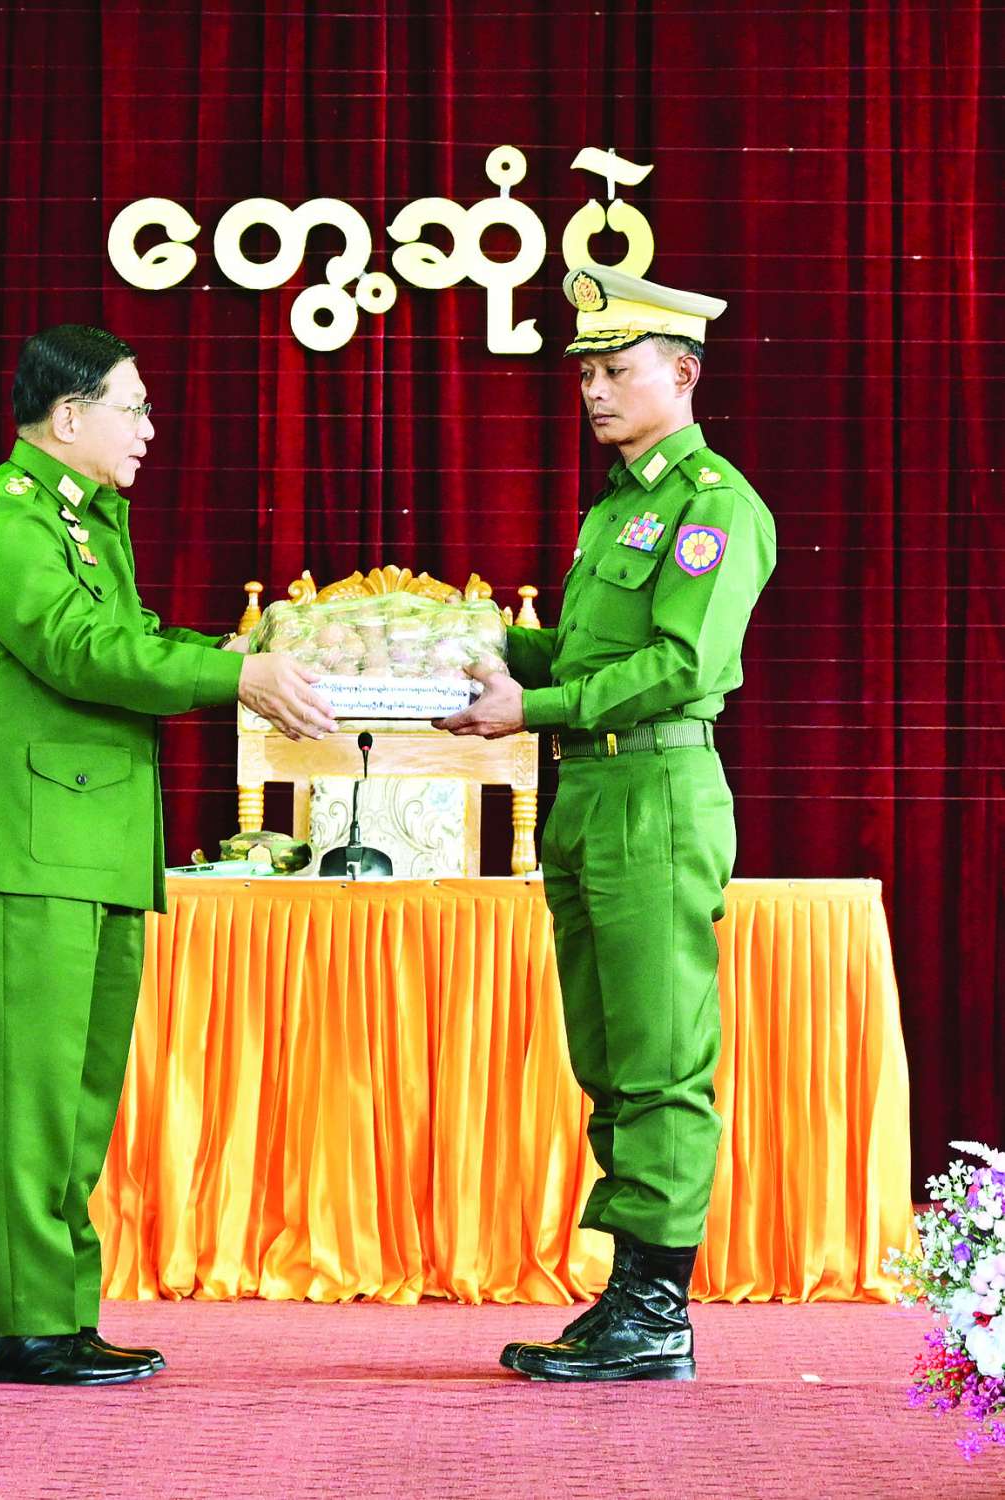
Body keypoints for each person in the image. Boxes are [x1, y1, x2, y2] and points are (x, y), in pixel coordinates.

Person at [0, 324, 335, 1386]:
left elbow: (128, 642)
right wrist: (231, 676)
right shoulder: (4, 518)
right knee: (31, 1096)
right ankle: (21, 1324)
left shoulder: (84, 517)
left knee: (78, 1098)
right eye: (135, 408)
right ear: (69, 417)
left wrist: (225, 656)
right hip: (30, 847)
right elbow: (82, 652)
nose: (150, 430)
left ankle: (59, 1314)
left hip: (93, 844)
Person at [438, 265, 776, 1382]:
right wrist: (487, 647)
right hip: (590, 794)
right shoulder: (618, 508)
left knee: (660, 1055)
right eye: (584, 372)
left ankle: (658, 1312)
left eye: (614, 370)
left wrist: (527, 707)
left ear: (681, 374)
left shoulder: (711, 505)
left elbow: (680, 664)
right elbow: (586, 657)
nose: (592, 390)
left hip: (656, 793)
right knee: (609, 1052)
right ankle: (630, 1291)